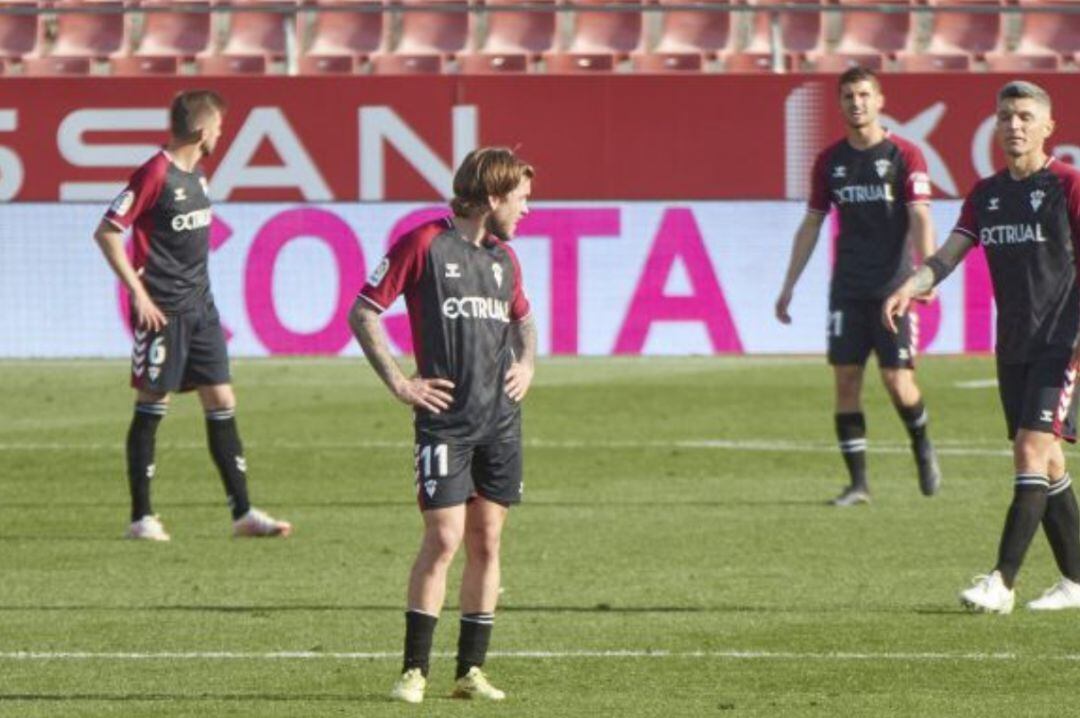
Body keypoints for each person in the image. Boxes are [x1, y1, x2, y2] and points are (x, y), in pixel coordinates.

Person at [349, 147, 537, 702]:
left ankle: (470, 672)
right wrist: (400, 383)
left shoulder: (505, 259)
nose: (528, 211)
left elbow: (525, 320)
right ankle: (414, 670)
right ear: (493, 196)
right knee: (444, 537)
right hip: (445, 425)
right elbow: (363, 310)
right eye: (522, 199)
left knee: (488, 540)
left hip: (499, 423)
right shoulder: (424, 244)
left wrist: (527, 365)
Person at [885, 81, 1080, 613]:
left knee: (1029, 450)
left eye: (1023, 117)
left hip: (1063, 345)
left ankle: (1002, 582)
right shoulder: (987, 194)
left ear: (1047, 127)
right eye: (1003, 117)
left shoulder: (1068, 184)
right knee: (1050, 463)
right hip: (1013, 346)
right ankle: (1075, 582)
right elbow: (948, 256)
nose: (1012, 126)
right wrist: (912, 283)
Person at [92, 90, 291, 542]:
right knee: (152, 406)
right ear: (202, 131)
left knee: (221, 401)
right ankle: (141, 518)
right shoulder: (154, 173)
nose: (221, 134)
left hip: (202, 310)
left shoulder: (196, 176)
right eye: (219, 127)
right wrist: (138, 294)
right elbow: (107, 231)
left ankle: (242, 513)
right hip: (162, 311)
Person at [775, 66, 942, 506]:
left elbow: (921, 214)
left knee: (897, 382)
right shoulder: (830, 162)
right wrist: (789, 284)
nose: (857, 103)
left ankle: (921, 443)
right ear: (840, 103)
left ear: (880, 100)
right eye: (848, 96)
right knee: (846, 380)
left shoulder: (905, 154)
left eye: (864, 95)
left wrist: (927, 272)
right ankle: (858, 484)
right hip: (847, 289)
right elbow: (812, 222)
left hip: (894, 289)